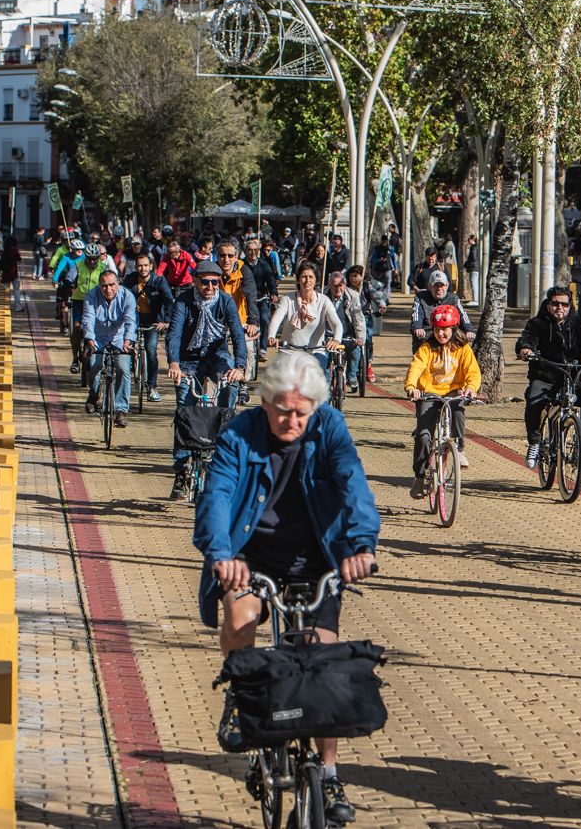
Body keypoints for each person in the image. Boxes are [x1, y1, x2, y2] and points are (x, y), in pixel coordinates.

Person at [194, 349, 379, 825]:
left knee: (325, 663)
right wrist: (221, 556)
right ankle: (239, 691)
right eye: (281, 410)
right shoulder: (241, 431)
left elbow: (352, 481)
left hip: (317, 556)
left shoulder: (330, 426)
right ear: (265, 400)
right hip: (250, 556)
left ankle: (331, 771)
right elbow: (217, 494)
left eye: (300, 412)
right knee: (241, 617)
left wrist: (361, 545)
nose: (290, 420)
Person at [167, 259, 249, 496]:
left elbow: (237, 335)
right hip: (188, 360)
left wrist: (240, 367)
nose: (211, 287)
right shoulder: (183, 301)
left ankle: (224, 451)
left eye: (215, 282)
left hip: (217, 357)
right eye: (205, 282)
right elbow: (174, 333)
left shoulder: (225, 301)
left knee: (231, 389)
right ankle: (181, 471)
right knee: (184, 408)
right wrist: (174, 363)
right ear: (195, 281)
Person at [515, 288, 581, 470]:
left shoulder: (577, 324)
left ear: (570, 306)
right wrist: (526, 349)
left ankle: (580, 444)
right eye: (556, 303)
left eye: (564, 304)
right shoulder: (537, 323)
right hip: (544, 377)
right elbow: (526, 339)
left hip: (569, 378)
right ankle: (534, 443)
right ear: (549, 305)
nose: (560, 307)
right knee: (534, 400)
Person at [404, 304, 481, 494]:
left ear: (453, 329)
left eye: (445, 330)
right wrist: (411, 387)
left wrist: (471, 388)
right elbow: (416, 367)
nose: (441, 334)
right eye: (437, 330)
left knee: (458, 413)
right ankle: (420, 477)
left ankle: (459, 449)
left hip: (454, 392)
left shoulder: (462, 349)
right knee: (423, 436)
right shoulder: (426, 348)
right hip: (428, 394)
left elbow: (473, 371)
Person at [82, 268, 137, 428]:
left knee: (123, 368)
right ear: (100, 286)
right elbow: (88, 319)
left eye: (112, 285)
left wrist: (128, 340)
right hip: (98, 338)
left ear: (118, 283)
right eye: (104, 286)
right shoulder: (91, 296)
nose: (108, 289)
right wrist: (90, 339)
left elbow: (130, 321)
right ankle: (93, 395)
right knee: (94, 365)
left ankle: (120, 409)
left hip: (120, 339)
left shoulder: (127, 296)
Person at [268, 261, 343, 370]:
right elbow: (276, 320)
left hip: (316, 351)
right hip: (289, 351)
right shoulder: (287, 299)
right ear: (298, 279)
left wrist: (336, 340)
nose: (307, 280)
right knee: (283, 380)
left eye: (311, 277)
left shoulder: (324, 301)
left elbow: (336, 324)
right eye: (304, 277)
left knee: (321, 378)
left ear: (316, 280)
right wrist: (271, 336)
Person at [126, 253, 175, 402]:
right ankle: (127, 380)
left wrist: (166, 321)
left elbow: (169, 302)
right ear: (135, 267)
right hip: (133, 320)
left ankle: (152, 386)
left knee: (151, 350)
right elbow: (121, 297)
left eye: (145, 265)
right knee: (127, 349)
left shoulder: (159, 281)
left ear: (151, 267)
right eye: (140, 265)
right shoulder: (130, 280)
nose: (143, 268)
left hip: (153, 321)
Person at [409, 270, 475, 351]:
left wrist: (469, 330)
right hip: (428, 335)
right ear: (430, 286)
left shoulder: (453, 299)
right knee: (419, 345)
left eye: (442, 285)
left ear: (447, 286)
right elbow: (417, 315)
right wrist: (417, 328)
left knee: (466, 343)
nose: (439, 288)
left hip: (449, 336)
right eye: (436, 285)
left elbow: (463, 316)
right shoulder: (420, 297)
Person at [325, 269, 366, 393]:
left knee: (355, 349)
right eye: (335, 285)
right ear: (329, 285)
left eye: (341, 285)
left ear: (345, 285)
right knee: (323, 356)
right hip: (327, 334)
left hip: (347, 333)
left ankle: (352, 376)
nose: (338, 288)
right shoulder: (322, 295)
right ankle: (325, 382)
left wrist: (360, 338)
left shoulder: (353, 296)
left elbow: (358, 318)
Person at [214, 240, 260, 346]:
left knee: (247, 355)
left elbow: (251, 297)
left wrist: (253, 322)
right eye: (222, 255)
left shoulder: (245, 272)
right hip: (217, 323)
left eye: (230, 256)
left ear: (236, 256)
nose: (226, 260)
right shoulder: (212, 271)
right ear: (217, 256)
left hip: (240, 321)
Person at [348, 264, 387, 384]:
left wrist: (382, 305)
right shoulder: (346, 289)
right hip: (350, 317)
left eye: (356, 276)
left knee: (368, 339)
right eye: (350, 276)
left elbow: (378, 297)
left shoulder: (367, 286)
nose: (353, 279)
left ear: (361, 276)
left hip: (365, 316)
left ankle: (368, 364)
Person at [244, 236, 279, 362]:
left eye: (255, 250)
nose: (253, 253)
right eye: (249, 250)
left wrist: (274, 293)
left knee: (264, 319)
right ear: (245, 251)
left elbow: (271, 281)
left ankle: (263, 348)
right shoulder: (241, 265)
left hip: (261, 298)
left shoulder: (264, 265)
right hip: (245, 300)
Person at [0, 234, 23, 312]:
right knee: (16, 290)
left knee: (5, 290)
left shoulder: (4, 251)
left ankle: (3, 307)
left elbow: (1, 262)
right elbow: (19, 258)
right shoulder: (14, 249)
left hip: (5, 273)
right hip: (13, 273)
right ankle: (18, 307)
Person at [463, 234, 480, 303]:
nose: (468, 241)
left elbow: (473, 257)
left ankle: (476, 300)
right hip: (477, 268)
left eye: (469, 239)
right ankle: (476, 299)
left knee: (474, 284)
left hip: (473, 268)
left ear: (472, 240)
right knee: (476, 284)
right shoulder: (478, 247)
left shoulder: (473, 248)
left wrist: (468, 264)